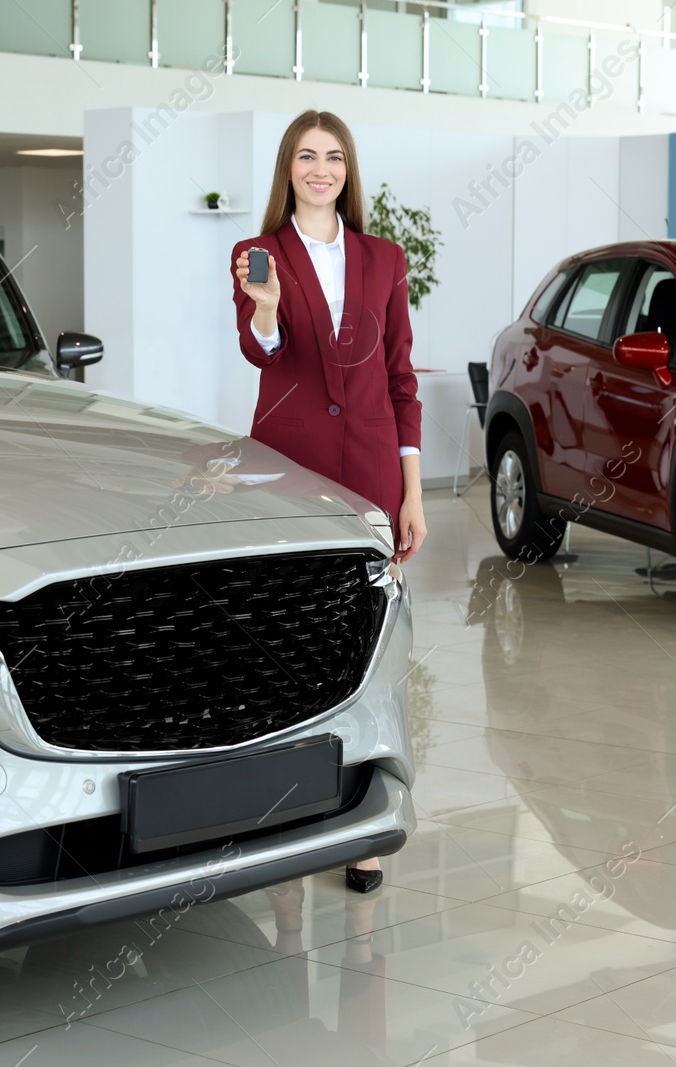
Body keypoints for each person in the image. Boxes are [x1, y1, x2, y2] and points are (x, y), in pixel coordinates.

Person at [230, 109, 425, 894]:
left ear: (349, 169)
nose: (321, 169)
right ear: (288, 168)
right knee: (283, 644)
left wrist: (412, 490)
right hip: (289, 469)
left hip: (374, 475)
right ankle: (283, 813)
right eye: (307, 157)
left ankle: (361, 825)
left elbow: (402, 378)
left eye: (334, 156)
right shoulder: (258, 254)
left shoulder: (384, 259)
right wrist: (270, 309)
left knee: (367, 648)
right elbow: (260, 349)